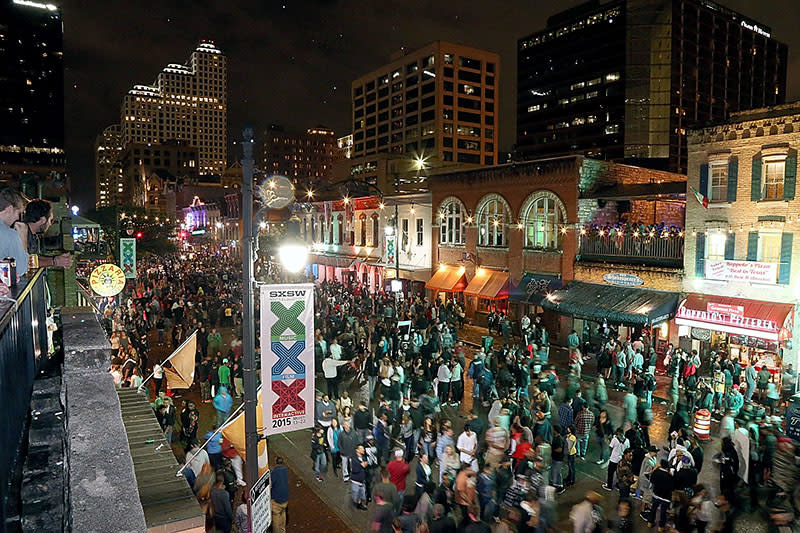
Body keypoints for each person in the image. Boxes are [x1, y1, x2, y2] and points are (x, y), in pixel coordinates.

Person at [19, 199, 72, 268]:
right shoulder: (21, 234)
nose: (50, 224)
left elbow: (35, 258)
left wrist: (57, 258)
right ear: (43, 220)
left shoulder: (34, 236)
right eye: (50, 220)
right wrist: (55, 261)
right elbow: (25, 262)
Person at [0, 188, 28, 284]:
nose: (17, 218)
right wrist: (23, 237)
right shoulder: (10, 234)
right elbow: (20, 269)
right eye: (18, 213)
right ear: (9, 209)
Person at [648, 459, 674, 529]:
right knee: (663, 512)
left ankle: (650, 522)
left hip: (656, 494)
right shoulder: (669, 476)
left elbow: (651, 480)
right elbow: (672, 487)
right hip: (665, 497)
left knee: (653, 509)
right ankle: (661, 527)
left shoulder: (656, 472)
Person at [269, 456, 289, 533]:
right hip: (285, 497)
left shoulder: (274, 473)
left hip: (276, 500)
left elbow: (270, 485)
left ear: (276, 462)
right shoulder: (285, 470)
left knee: (276, 517)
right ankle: (283, 530)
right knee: (283, 513)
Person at [349, 444, 369, 510]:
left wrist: (363, 465)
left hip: (362, 480)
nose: (363, 450)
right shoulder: (354, 459)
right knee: (356, 494)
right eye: (361, 448)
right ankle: (357, 504)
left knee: (362, 493)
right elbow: (354, 470)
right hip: (355, 481)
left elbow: (366, 464)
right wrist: (361, 465)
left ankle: (359, 504)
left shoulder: (364, 457)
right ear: (357, 450)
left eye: (363, 448)